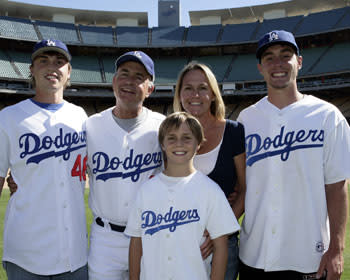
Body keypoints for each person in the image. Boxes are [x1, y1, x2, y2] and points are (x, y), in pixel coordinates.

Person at [237, 30, 350, 280]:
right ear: (260, 67)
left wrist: (336, 249)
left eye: (285, 56)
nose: (277, 64)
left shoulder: (327, 116)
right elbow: (242, 185)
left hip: (308, 256)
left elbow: (337, 186)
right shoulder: (246, 119)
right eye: (269, 58)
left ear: (298, 62)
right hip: (254, 254)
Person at [0, 39, 88, 279]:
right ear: (32, 69)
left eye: (59, 62)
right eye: (43, 61)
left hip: (76, 254)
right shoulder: (8, 118)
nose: (52, 67)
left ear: (69, 71)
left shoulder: (80, 116)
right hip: (26, 255)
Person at [125, 111, 240, 280]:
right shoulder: (146, 190)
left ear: (198, 144)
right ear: (162, 144)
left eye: (187, 138)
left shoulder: (211, 191)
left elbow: (221, 246)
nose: (179, 143)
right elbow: (136, 242)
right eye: (171, 138)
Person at [86, 51, 165, 280]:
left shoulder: (162, 126)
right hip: (105, 239)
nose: (130, 81)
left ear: (150, 88)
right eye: (124, 74)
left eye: (139, 76)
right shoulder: (91, 126)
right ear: (114, 81)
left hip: (149, 235)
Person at [173, 62, 246, 280]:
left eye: (203, 88)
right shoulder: (168, 132)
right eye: (188, 88)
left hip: (223, 243)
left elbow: (244, 190)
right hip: (179, 241)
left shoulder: (233, 131)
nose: (195, 94)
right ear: (180, 94)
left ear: (213, 94)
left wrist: (218, 232)